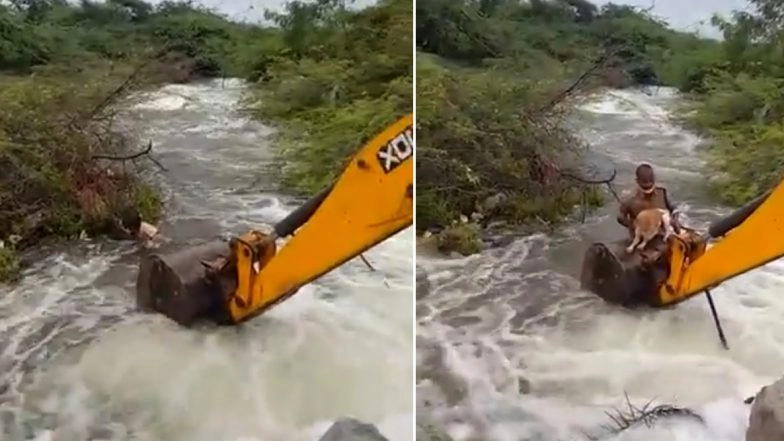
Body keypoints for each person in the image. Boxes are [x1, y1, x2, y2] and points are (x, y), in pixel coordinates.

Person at [617, 162, 681, 237]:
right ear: (637, 181)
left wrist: (675, 220)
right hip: (641, 236)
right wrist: (633, 225)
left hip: (661, 234)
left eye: (650, 186)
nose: (648, 190)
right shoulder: (630, 198)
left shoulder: (662, 192)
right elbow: (620, 217)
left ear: (654, 180)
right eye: (644, 187)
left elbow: (674, 207)